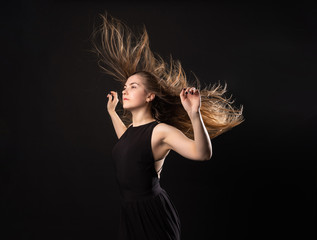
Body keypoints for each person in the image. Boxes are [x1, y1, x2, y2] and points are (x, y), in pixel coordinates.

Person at [91, 12, 244, 240]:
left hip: (152, 215)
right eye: (125, 87)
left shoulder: (160, 131)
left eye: (133, 86)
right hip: (130, 213)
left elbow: (202, 154)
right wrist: (112, 113)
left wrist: (194, 114)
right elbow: (127, 145)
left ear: (150, 96)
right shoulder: (132, 133)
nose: (125, 90)